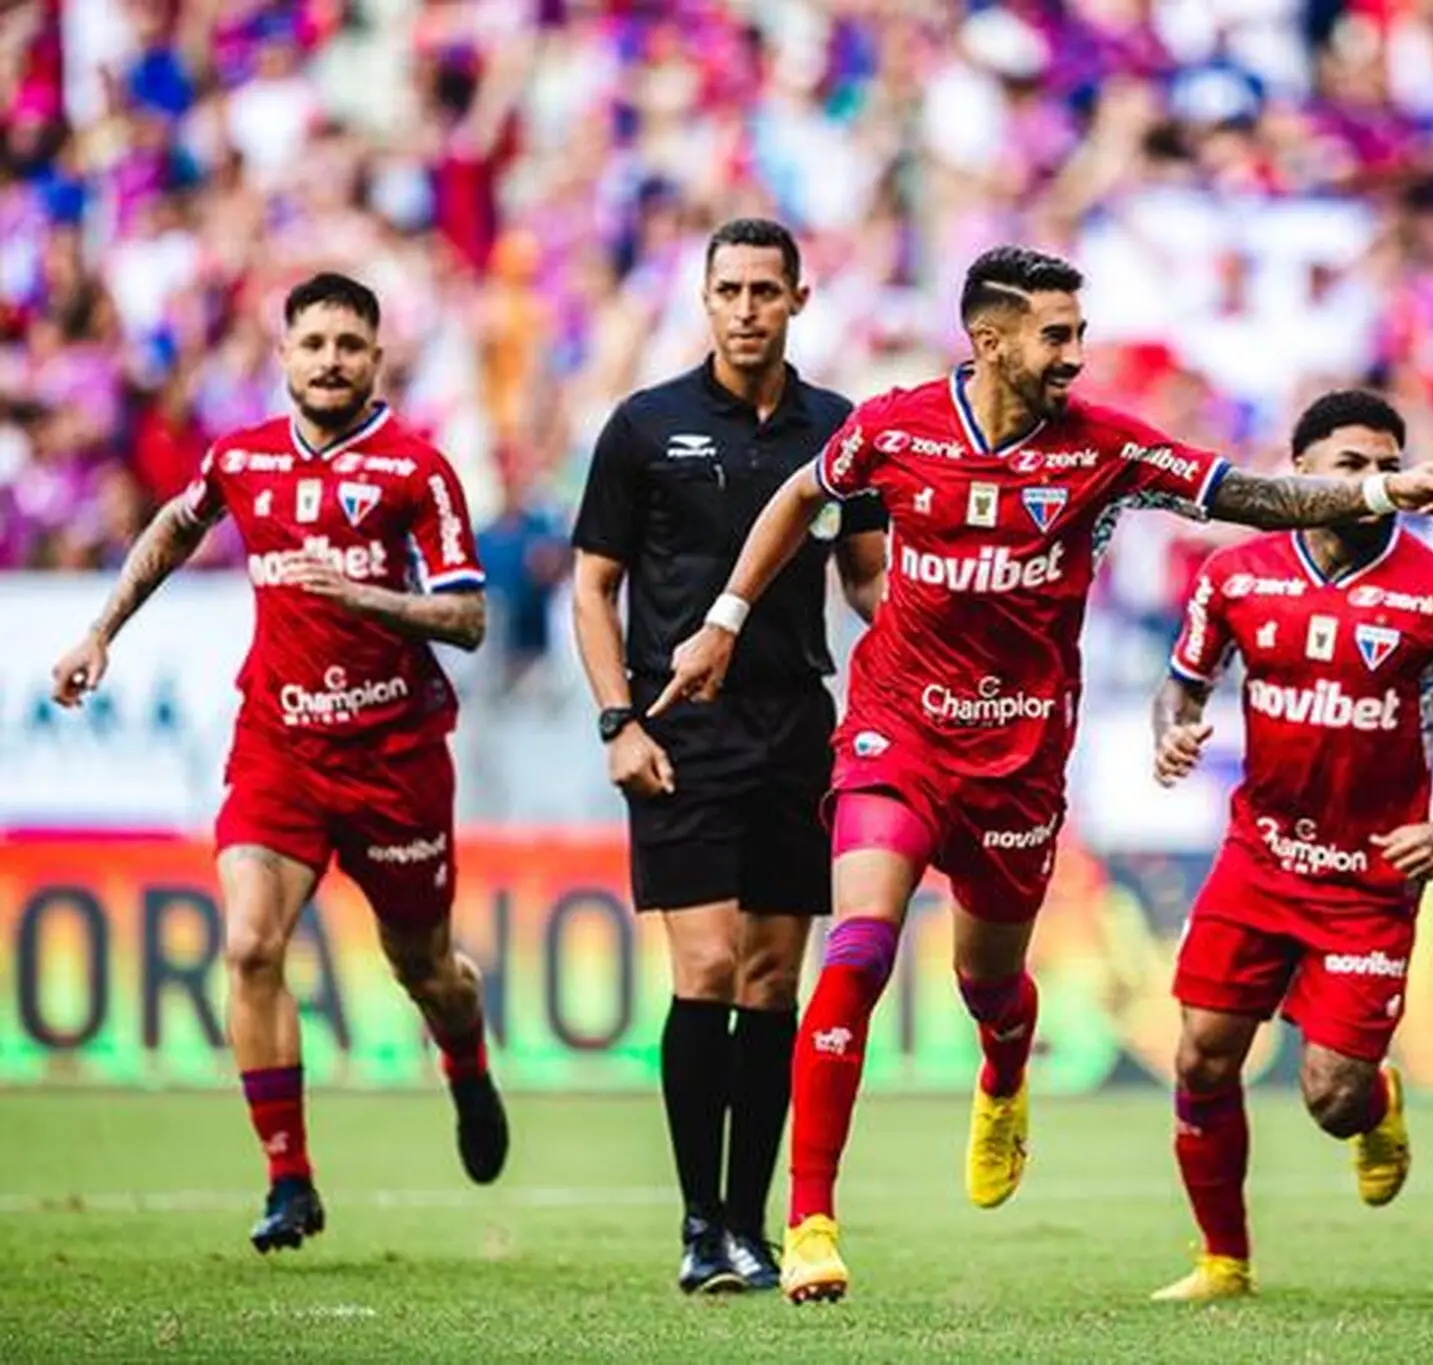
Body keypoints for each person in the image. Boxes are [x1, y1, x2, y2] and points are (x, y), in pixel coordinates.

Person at [655, 244, 1433, 1305]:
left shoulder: (1101, 447)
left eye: (1077, 334)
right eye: (1057, 335)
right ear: (990, 337)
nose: (1074, 355)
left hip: (1017, 762)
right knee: (859, 944)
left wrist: (1374, 490)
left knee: (989, 987)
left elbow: (1236, 493)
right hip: (897, 732)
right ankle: (811, 1221)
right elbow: (795, 499)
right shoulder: (893, 426)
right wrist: (724, 620)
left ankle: (1003, 1067)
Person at [47, 272, 507, 1252]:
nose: (331, 360)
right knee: (250, 945)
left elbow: (467, 617)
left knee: (425, 970)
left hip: (394, 757)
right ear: (285, 353)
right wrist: (99, 634)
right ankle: (288, 1179)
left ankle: (465, 1065)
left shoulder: (416, 472)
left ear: (376, 357)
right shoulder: (241, 460)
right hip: (280, 748)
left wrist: (359, 596)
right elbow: (175, 529)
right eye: (314, 344)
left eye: (349, 344)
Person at [1147, 389, 1433, 1301]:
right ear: (1302, 469)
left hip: (1368, 880)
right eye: (1351, 465)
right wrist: (1174, 729)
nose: (1373, 482)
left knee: (1331, 1099)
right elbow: (1182, 683)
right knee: (1200, 1055)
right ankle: (1222, 1260)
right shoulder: (1236, 573)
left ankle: (1378, 1105)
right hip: (1259, 856)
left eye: (1386, 465)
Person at [570, 219, 887, 1294]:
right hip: (679, 727)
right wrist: (620, 722)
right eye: (726, 290)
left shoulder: (837, 430)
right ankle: (700, 1224)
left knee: (772, 979)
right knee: (704, 968)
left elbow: (865, 582)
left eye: (763, 290)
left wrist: (918, 653)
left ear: (799, 298)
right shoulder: (645, 427)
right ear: (702, 301)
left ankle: (752, 1225)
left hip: (796, 725)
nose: (744, 308)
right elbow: (591, 585)